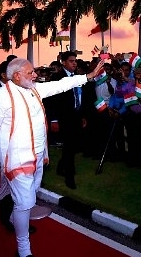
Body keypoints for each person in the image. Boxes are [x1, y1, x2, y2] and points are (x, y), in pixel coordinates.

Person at [0, 57, 104, 257]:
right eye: (31, 73)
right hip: (16, 160)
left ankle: (15, 218)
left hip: (39, 157)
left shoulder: (35, 90)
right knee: (24, 203)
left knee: (31, 194)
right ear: (17, 76)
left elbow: (61, 85)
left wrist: (88, 76)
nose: (35, 75)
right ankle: (23, 249)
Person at [46, 51, 94, 189]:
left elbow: (80, 98)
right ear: (63, 62)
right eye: (71, 61)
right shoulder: (57, 78)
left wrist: (83, 116)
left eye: (75, 61)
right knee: (69, 146)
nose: (74, 63)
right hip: (63, 118)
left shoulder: (77, 78)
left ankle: (61, 167)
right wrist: (54, 119)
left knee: (72, 146)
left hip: (76, 116)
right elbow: (51, 101)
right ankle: (69, 176)